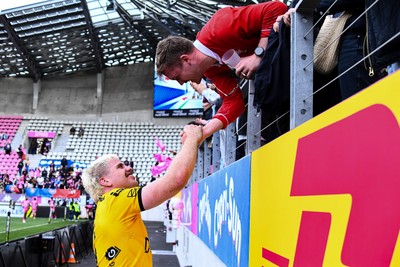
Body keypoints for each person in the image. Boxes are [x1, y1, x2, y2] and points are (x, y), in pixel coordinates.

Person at [156, 1, 287, 142]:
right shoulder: (210, 70)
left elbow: (276, 8)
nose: (181, 83)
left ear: (186, 60)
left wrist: (258, 54)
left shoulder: (219, 27)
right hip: (285, 82)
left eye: (177, 77)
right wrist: (204, 132)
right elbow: (233, 102)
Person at [81, 124, 202, 266]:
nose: (129, 168)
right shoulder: (115, 199)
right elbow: (175, 180)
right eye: (120, 166)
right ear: (105, 181)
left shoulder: (107, 205)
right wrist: (192, 137)